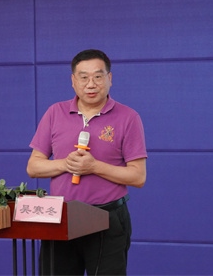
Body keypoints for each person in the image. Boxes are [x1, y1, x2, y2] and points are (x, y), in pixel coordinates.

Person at [26, 49, 147, 276]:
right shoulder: (55, 112)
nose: (91, 84)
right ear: (73, 81)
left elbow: (138, 176)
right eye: (84, 77)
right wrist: (65, 164)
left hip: (108, 218)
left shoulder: (128, 117)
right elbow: (33, 167)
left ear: (110, 78)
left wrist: (94, 167)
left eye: (98, 76)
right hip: (61, 218)